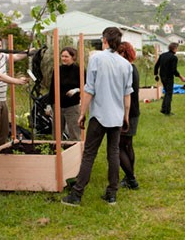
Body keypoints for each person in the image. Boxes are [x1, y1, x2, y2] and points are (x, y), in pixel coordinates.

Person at [61, 27, 133, 206]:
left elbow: (89, 89)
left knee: (89, 155)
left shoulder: (96, 58)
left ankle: (76, 195)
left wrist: (82, 113)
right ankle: (112, 194)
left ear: (105, 40)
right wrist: (126, 116)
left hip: (99, 116)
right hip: (116, 117)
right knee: (113, 154)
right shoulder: (126, 64)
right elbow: (127, 95)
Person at [116, 41, 141, 190]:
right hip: (133, 111)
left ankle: (131, 178)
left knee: (119, 146)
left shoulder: (127, 70)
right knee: (127, 144)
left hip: (127, 112)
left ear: (124, 54)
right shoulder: (133, 68)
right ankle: (129, 176)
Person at [46, 47, 82, 141]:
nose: (64, 58)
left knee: (74, 133)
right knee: (56, 133)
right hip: (58, 105)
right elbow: (52, 88)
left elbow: (87, 86)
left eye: (66, 56)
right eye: (62, 56)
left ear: (73, 57)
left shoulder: (79, 70)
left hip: (72, 106)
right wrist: (49, 105)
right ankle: (57, 152)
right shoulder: (58, 70)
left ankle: (75, 154)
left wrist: (77, 90)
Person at [154, 42, 185, 115]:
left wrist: (156, 75)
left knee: (166, 92)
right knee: (169, 93)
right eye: (177, 48)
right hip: (169, 77)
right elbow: (174, 70)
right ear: (174, 49)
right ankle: (167, 111)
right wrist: (181, 77)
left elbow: (156, 66)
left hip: (162, 76)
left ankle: (163, 109)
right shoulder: (174, 58)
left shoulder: (162, 55)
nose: (177, 50)